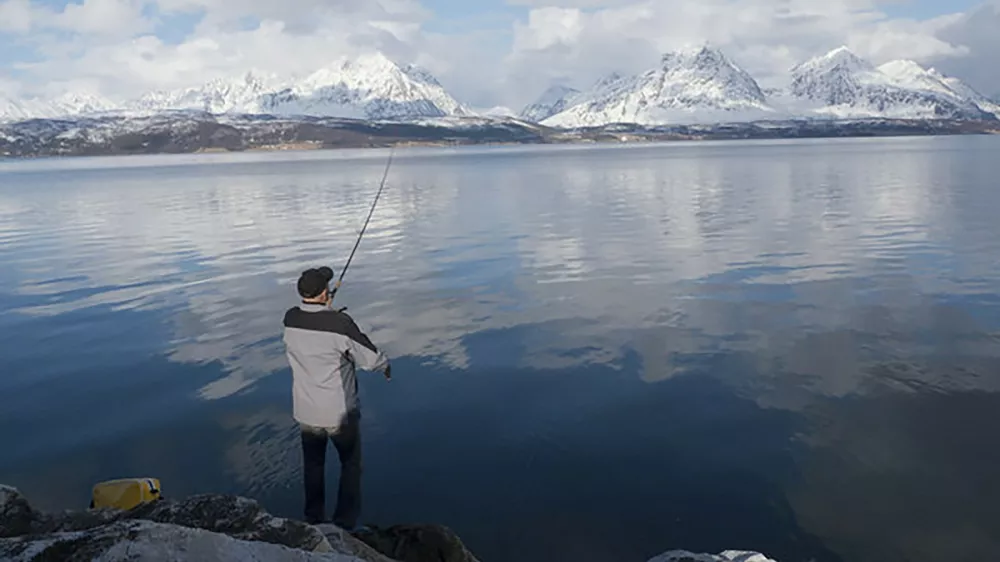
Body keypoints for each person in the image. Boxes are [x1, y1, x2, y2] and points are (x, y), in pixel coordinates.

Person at [282, 266, 391, 529]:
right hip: (338, 412)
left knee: (313, 466)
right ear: (323, 294)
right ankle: (345, 525)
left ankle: (314, 519)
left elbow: (316, 326)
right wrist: (386, 366)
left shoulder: (290, 319)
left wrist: (328, 313)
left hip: (306, 411)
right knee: (351, 464)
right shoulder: (340, 324)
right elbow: (371, 359)